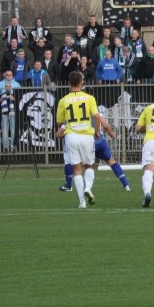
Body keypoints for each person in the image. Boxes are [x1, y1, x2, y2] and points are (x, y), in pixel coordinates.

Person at [55, 71, 116, 208]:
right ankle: (88, 188)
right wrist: (99, 131)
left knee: (77, 169)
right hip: (86, 135)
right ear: (82, 82)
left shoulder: (63, 100)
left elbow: (59, 122)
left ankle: (82, 202)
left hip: (71, 136)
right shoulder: (89, 98)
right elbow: (97, 116)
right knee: (89, 165)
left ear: (68, 83)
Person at [59, 112, 131, 192]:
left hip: (87, 143)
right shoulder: (96, 113)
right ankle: (126, 184)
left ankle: (74, 186)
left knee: (83, 165)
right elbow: (106, 125)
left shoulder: (76, 116)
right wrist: (112, 134)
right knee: (111, 161)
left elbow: (58, 133)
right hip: (99, 142)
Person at [0, 72, 19, 151]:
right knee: (5, 131)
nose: (8, 88)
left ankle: (13, 147)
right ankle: (6, 147)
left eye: (9, 87)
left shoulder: (14, 95)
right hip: (4, 114)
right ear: (5, 88)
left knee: (13, 131)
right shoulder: (2, 95)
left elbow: (19, 104)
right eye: (6, 87)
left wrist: (13, 98)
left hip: (12, 114)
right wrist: (1, 99)